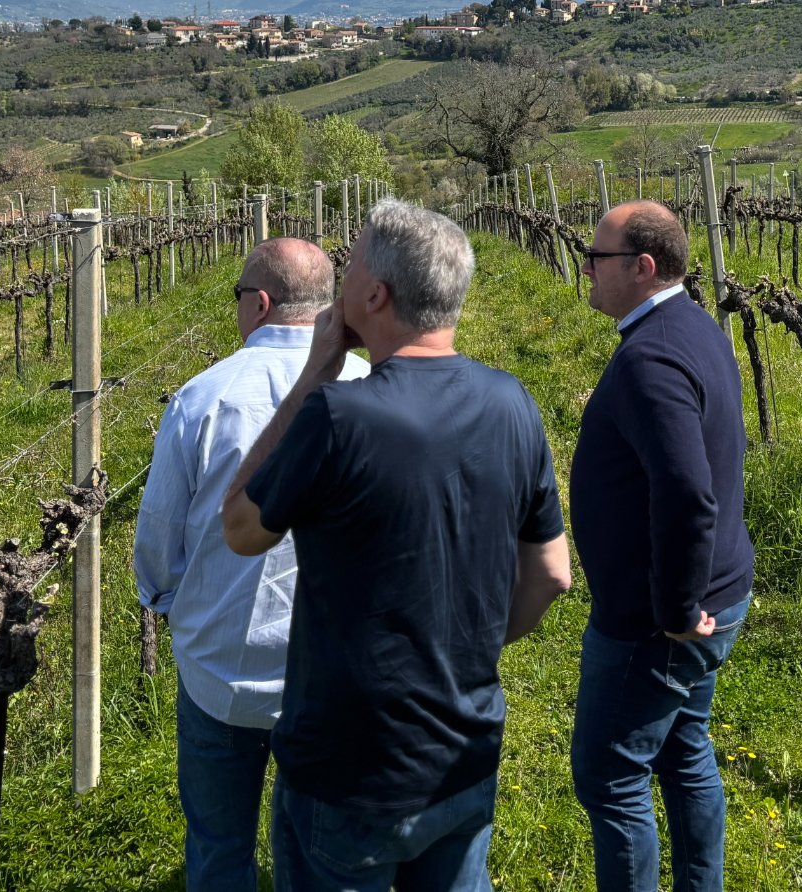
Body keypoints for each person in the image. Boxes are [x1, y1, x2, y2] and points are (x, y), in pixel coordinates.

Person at [222, 198, 572, 892]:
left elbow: (240, 528)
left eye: (349, 264)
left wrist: (319, 368)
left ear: (375, 295)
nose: (340, 278)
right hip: (465, 748)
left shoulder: (336, 416)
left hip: (348, 765)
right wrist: (467, 649)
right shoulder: (514, 402)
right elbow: (554, 573)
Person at [133, 236, 370, 892]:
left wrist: (168, 600)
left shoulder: (201, 398)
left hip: (221, 670)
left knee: (217, 840)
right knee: (323, 848)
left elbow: (159, 537)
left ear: (258, 303)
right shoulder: (375, 387)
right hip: (337, 674)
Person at [569, 199, 755, 892]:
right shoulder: (689, 326)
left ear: (642, 267)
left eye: (598, 257)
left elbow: (686, 490)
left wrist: (674, 609)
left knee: (610, 776)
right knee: (682, 749)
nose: (586, 266)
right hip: (714, 592)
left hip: (660, 622)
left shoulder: (653, 357)